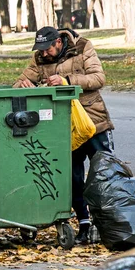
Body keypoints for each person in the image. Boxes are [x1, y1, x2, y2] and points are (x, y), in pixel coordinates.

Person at [13, 26, 115, 244]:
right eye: (39, 50)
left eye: (47, 49)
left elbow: (98, 78)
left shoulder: (83, 47)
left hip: (93, 121)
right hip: (63, 126)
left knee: (103, 173)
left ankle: (104, 223)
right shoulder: (39, 58)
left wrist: (67, 81)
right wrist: (24, 84)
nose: (43, 54)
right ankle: (84, 223)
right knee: (72, 176)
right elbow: (19, 82)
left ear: (58, 42)